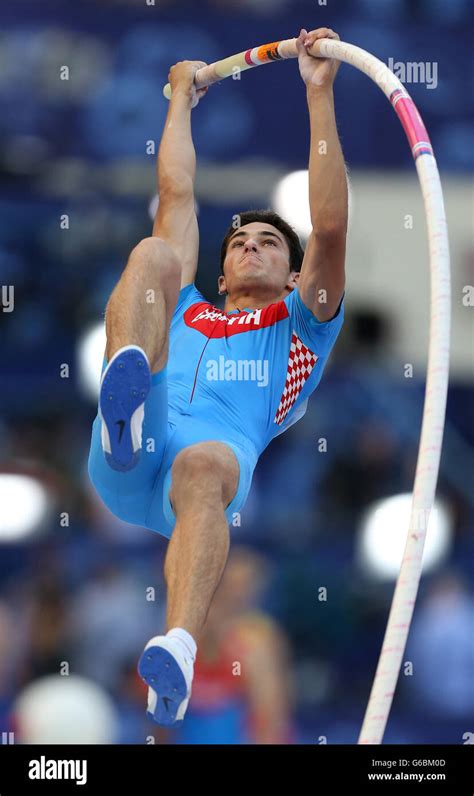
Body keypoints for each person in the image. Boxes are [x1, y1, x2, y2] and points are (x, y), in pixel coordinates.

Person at [88, 26, 348, 728]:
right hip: (133, 452)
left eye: (268, 243)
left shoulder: (303, 326)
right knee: (152, 253)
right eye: (239, 242)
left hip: (205, 474)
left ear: (291, 274)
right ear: (226, 267)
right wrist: (181, 98)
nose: (250, 248)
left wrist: (318, 95)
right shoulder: (192, 309)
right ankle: (127, 413)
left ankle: (176, 644)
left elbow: (327, 228)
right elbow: (177, 186)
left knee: (204, 463)